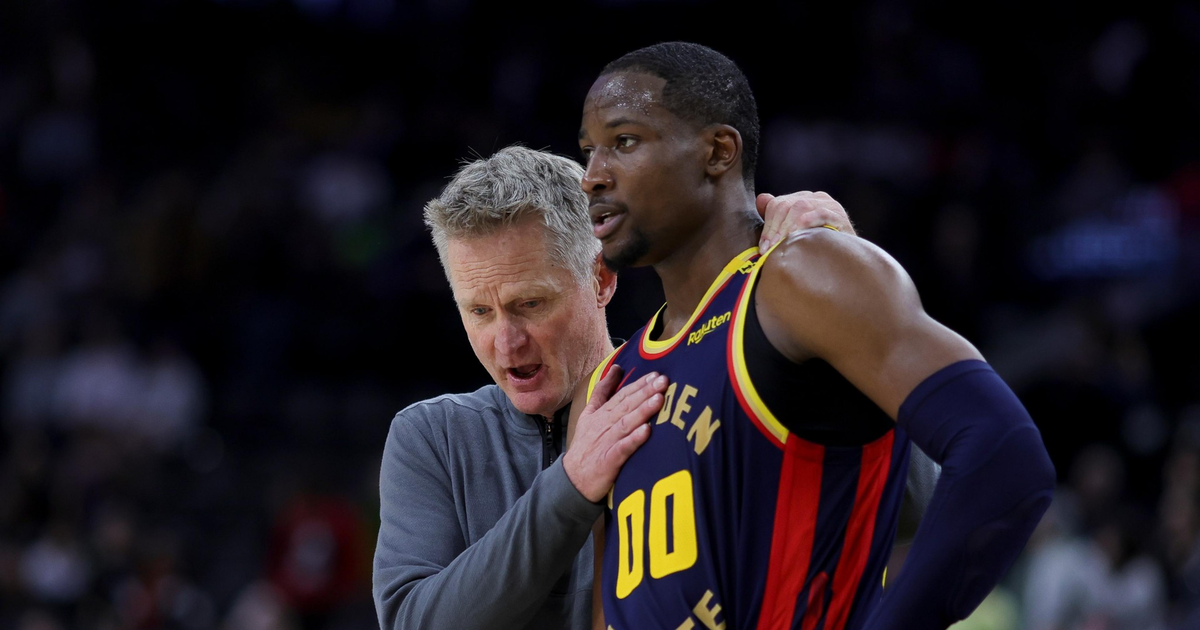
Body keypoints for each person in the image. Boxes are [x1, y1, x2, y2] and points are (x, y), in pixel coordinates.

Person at [576, 42, 1055, 630]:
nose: (593, 177)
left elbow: (1002, 451)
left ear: (718, 152)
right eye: (588, 151)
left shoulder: (800, 278)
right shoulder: (613, 377)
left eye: (623, 143)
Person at [371, 145, 863, 630]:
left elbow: (902, 503)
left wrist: (837, 298)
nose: (505, 341)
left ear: (602, 279)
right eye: (479, 311)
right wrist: (571, 486)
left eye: (531, 304)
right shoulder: (432, 436)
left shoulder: (696, 395)